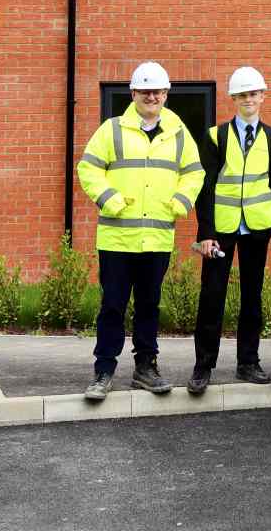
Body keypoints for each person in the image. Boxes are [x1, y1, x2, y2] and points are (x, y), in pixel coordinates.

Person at [76, 61, 204, 401]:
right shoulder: (112, 130)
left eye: (157, 91)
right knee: (112, 306)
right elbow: (88, 169)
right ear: (133, 94)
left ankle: (146, 368)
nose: (151, 97)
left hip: (157, 237)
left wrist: (181, 202)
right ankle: (103, 370)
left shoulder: (178, 132)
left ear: (166, 94)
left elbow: (194, 172)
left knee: (149, 306)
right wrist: (110, 199)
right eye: (145, 91)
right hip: (117, 238)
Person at [188, 66, 271, 394]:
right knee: (212, 295)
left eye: (253, 94)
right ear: (233, 98)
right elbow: (205, 187)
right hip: (221, 229)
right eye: (242, 95)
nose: (248, 99)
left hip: (257, 228)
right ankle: (203, 365)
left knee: (252, 297)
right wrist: (205, 233)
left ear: (263, 96)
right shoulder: (215, 136)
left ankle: (248, 362)